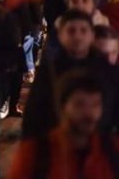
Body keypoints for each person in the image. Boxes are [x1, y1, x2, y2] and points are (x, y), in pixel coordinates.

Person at [22, 9, 119, 138]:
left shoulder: (106, 69)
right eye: (71, 31)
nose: (78, 36)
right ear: (61, 35)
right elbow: (35, 111)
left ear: (91, 35)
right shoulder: (50, 69)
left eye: (83, 30)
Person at [10, 69, 119, 179]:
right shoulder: (35, 154)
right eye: (79, 105)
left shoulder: (111, 150)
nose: (89, 114)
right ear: (61, 106)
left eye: (96, 105)